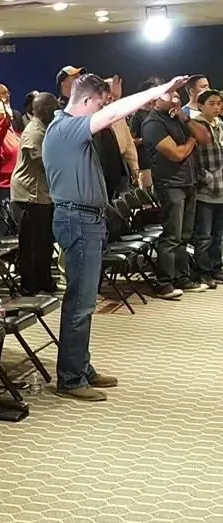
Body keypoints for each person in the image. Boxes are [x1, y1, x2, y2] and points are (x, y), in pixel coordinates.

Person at [42, 73, 188, 401]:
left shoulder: (69, 128)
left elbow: (113, 115)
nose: (104, 110)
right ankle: (71, 377)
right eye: (101, 103)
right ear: (87, 101)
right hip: (77, 220)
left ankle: (80, 366)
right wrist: (158, 90)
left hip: (86, 219)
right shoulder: (65, 128)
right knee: (80, 303)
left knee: (84, 301)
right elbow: (111, 115)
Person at [141, 80, 211, 296]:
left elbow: (204, 138)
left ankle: (182, 278)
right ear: (154, 100)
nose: (174, 97)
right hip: (171, 184)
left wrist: (185, 118)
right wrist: (191, 142)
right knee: (171, 235)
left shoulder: (178, 118)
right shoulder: (153, 124)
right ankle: (164, 282)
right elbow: (177, 153)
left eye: (176, 94)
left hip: (188, 182)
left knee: (185, 234)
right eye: (168, 94)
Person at [10, 93, 58, 295]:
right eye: (54, 108)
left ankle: (44, 279)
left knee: (44, 241)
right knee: (31, 243)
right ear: (45, 110)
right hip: (29, 195)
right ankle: (29, 285)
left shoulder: (45, 129)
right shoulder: (34, 132)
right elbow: (46, 164)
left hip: (42, 194)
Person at [192, 89, 223, 284]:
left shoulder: (220, 125)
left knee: (218, 234)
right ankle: (202, 271)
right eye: (211, 103)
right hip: (204, 188)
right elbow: (192, 159)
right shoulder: (195, 126)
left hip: (222, 188)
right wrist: (206, 178)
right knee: (204, 234)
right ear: (200, 106)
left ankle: (215, 267)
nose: (216, 107)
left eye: (218, 103)